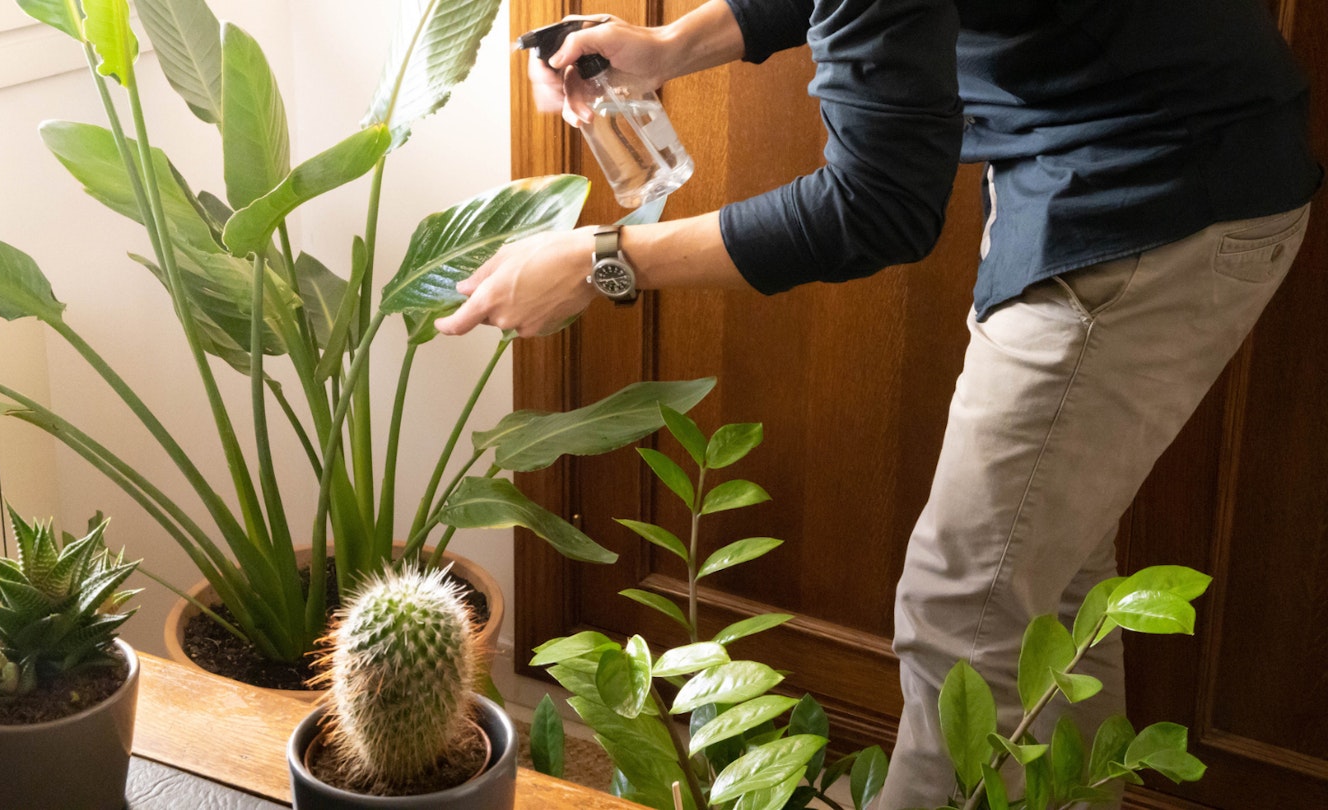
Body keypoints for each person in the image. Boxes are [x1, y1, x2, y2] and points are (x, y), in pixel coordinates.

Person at [434, 1, 1321, 807]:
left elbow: (876, 206)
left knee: (962, 614)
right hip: (1142, 161)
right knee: (1048, 589)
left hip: (1154, 199)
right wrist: (672, 46)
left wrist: (604, 260)